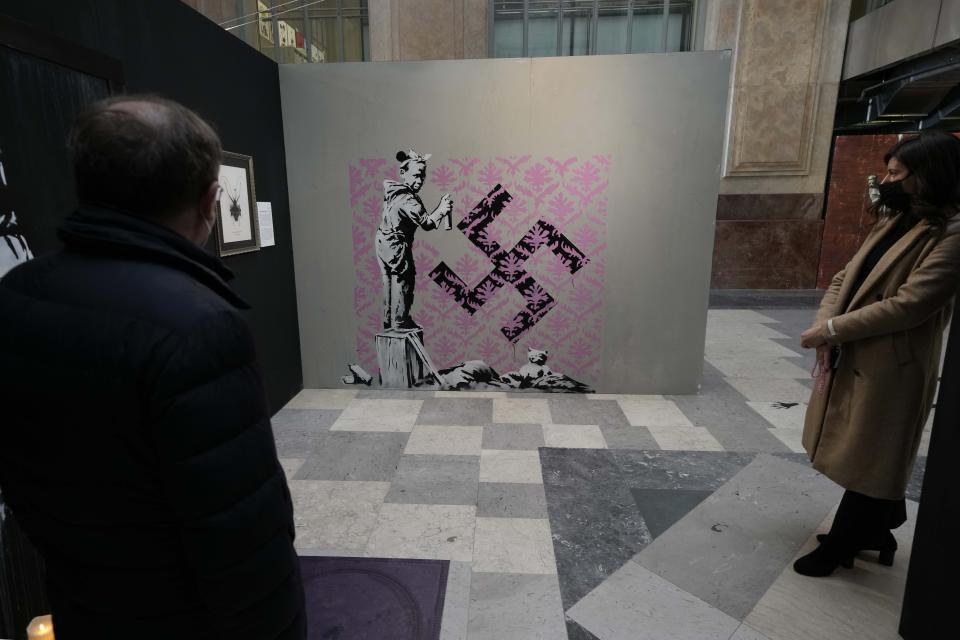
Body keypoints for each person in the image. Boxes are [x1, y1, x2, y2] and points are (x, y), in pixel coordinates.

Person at [0, 96, 305, 638]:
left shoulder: (16, 294)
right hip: (180, 616)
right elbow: (241, 536)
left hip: (82, 601)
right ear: (212, 201)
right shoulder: (200, 325)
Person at [796, 130, 960, 577]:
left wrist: (832, 329)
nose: (886, 181)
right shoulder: (897, 220)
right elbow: (844, 277)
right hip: (857, 350)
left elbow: (910, 305)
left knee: (873, 454)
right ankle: (880, 529)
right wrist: (826, 327)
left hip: (894, 364)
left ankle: (845, 542)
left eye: (896, 173)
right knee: (866, 449)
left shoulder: (951, 234)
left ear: (927, 177)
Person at [375, 150, 452, 330]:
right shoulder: (409, 200)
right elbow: (427, 223)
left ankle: (389, 321)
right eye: (416, 175)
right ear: (403, 172)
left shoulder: (394, 191)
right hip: (396, 244)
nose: (420, 181)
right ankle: (401, 321)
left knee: (388, 281)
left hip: (382, 241)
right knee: (404, 279)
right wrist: (442, 209)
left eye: (423, 176)